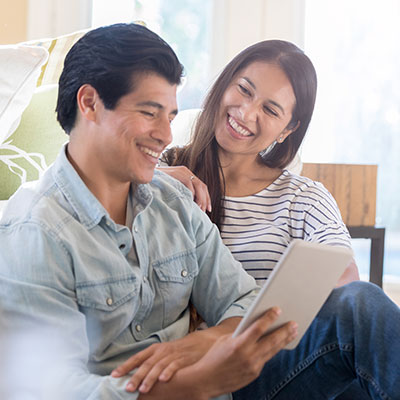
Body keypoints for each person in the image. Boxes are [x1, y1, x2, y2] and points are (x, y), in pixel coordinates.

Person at [0, 23, 399, 400]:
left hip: (233, 369)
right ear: (88, 102)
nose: (166, 133)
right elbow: (51, 389)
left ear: (288, 128)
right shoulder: (35, 232)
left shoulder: (173, 202)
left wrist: (202, 347)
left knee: (358, 318)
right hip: (207, 382)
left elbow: (244, 300)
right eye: (150, 112)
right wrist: (200, 380)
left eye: (171, 116)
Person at [158, 39, 359, 288]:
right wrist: (154, 180)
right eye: (244, 89)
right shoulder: (160, 168)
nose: (246, 113)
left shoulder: (303, 199)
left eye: (271, 110)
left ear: (287, 129)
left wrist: (257, 321)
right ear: (225, 83)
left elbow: (344, 274)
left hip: (271, 325)